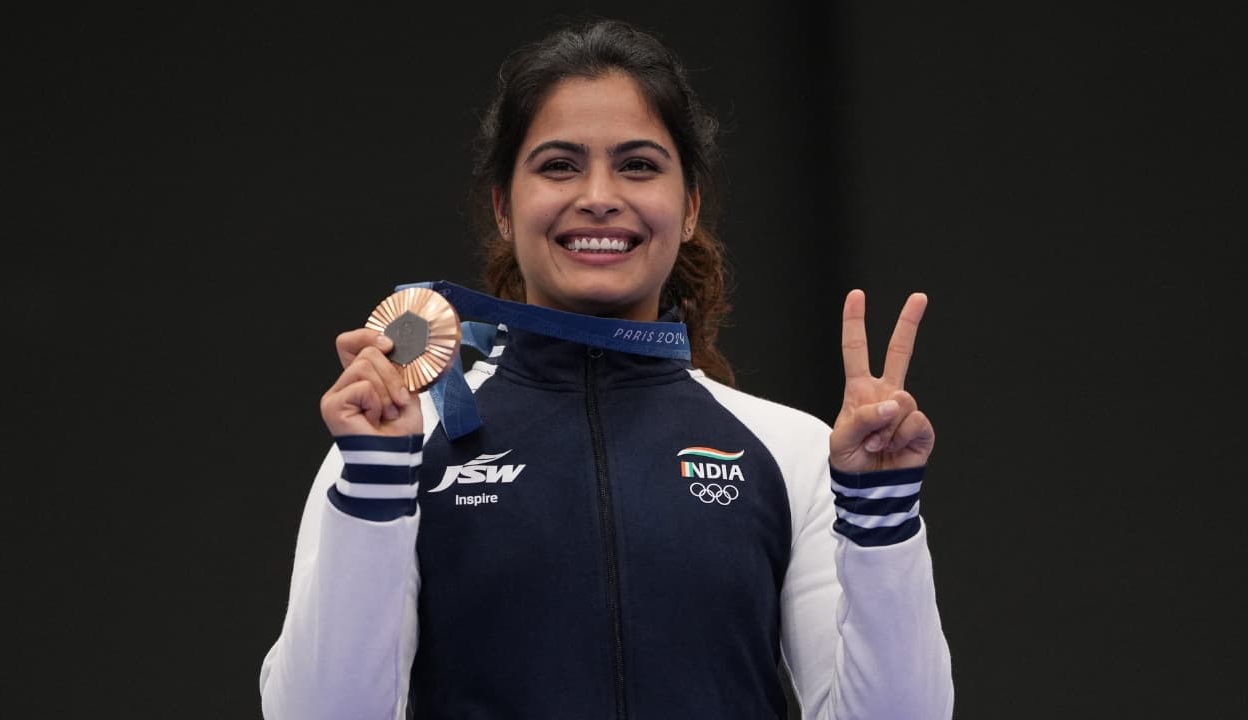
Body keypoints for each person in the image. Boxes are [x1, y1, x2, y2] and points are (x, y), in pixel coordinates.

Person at [260, 18, 952, 720]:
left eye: (639, 165)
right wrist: (375, 483)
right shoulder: (398, 444)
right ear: (503, 208)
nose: (598, 195)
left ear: (689, 208)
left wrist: (882, 516)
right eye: (559, 165)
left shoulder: (793, 451)